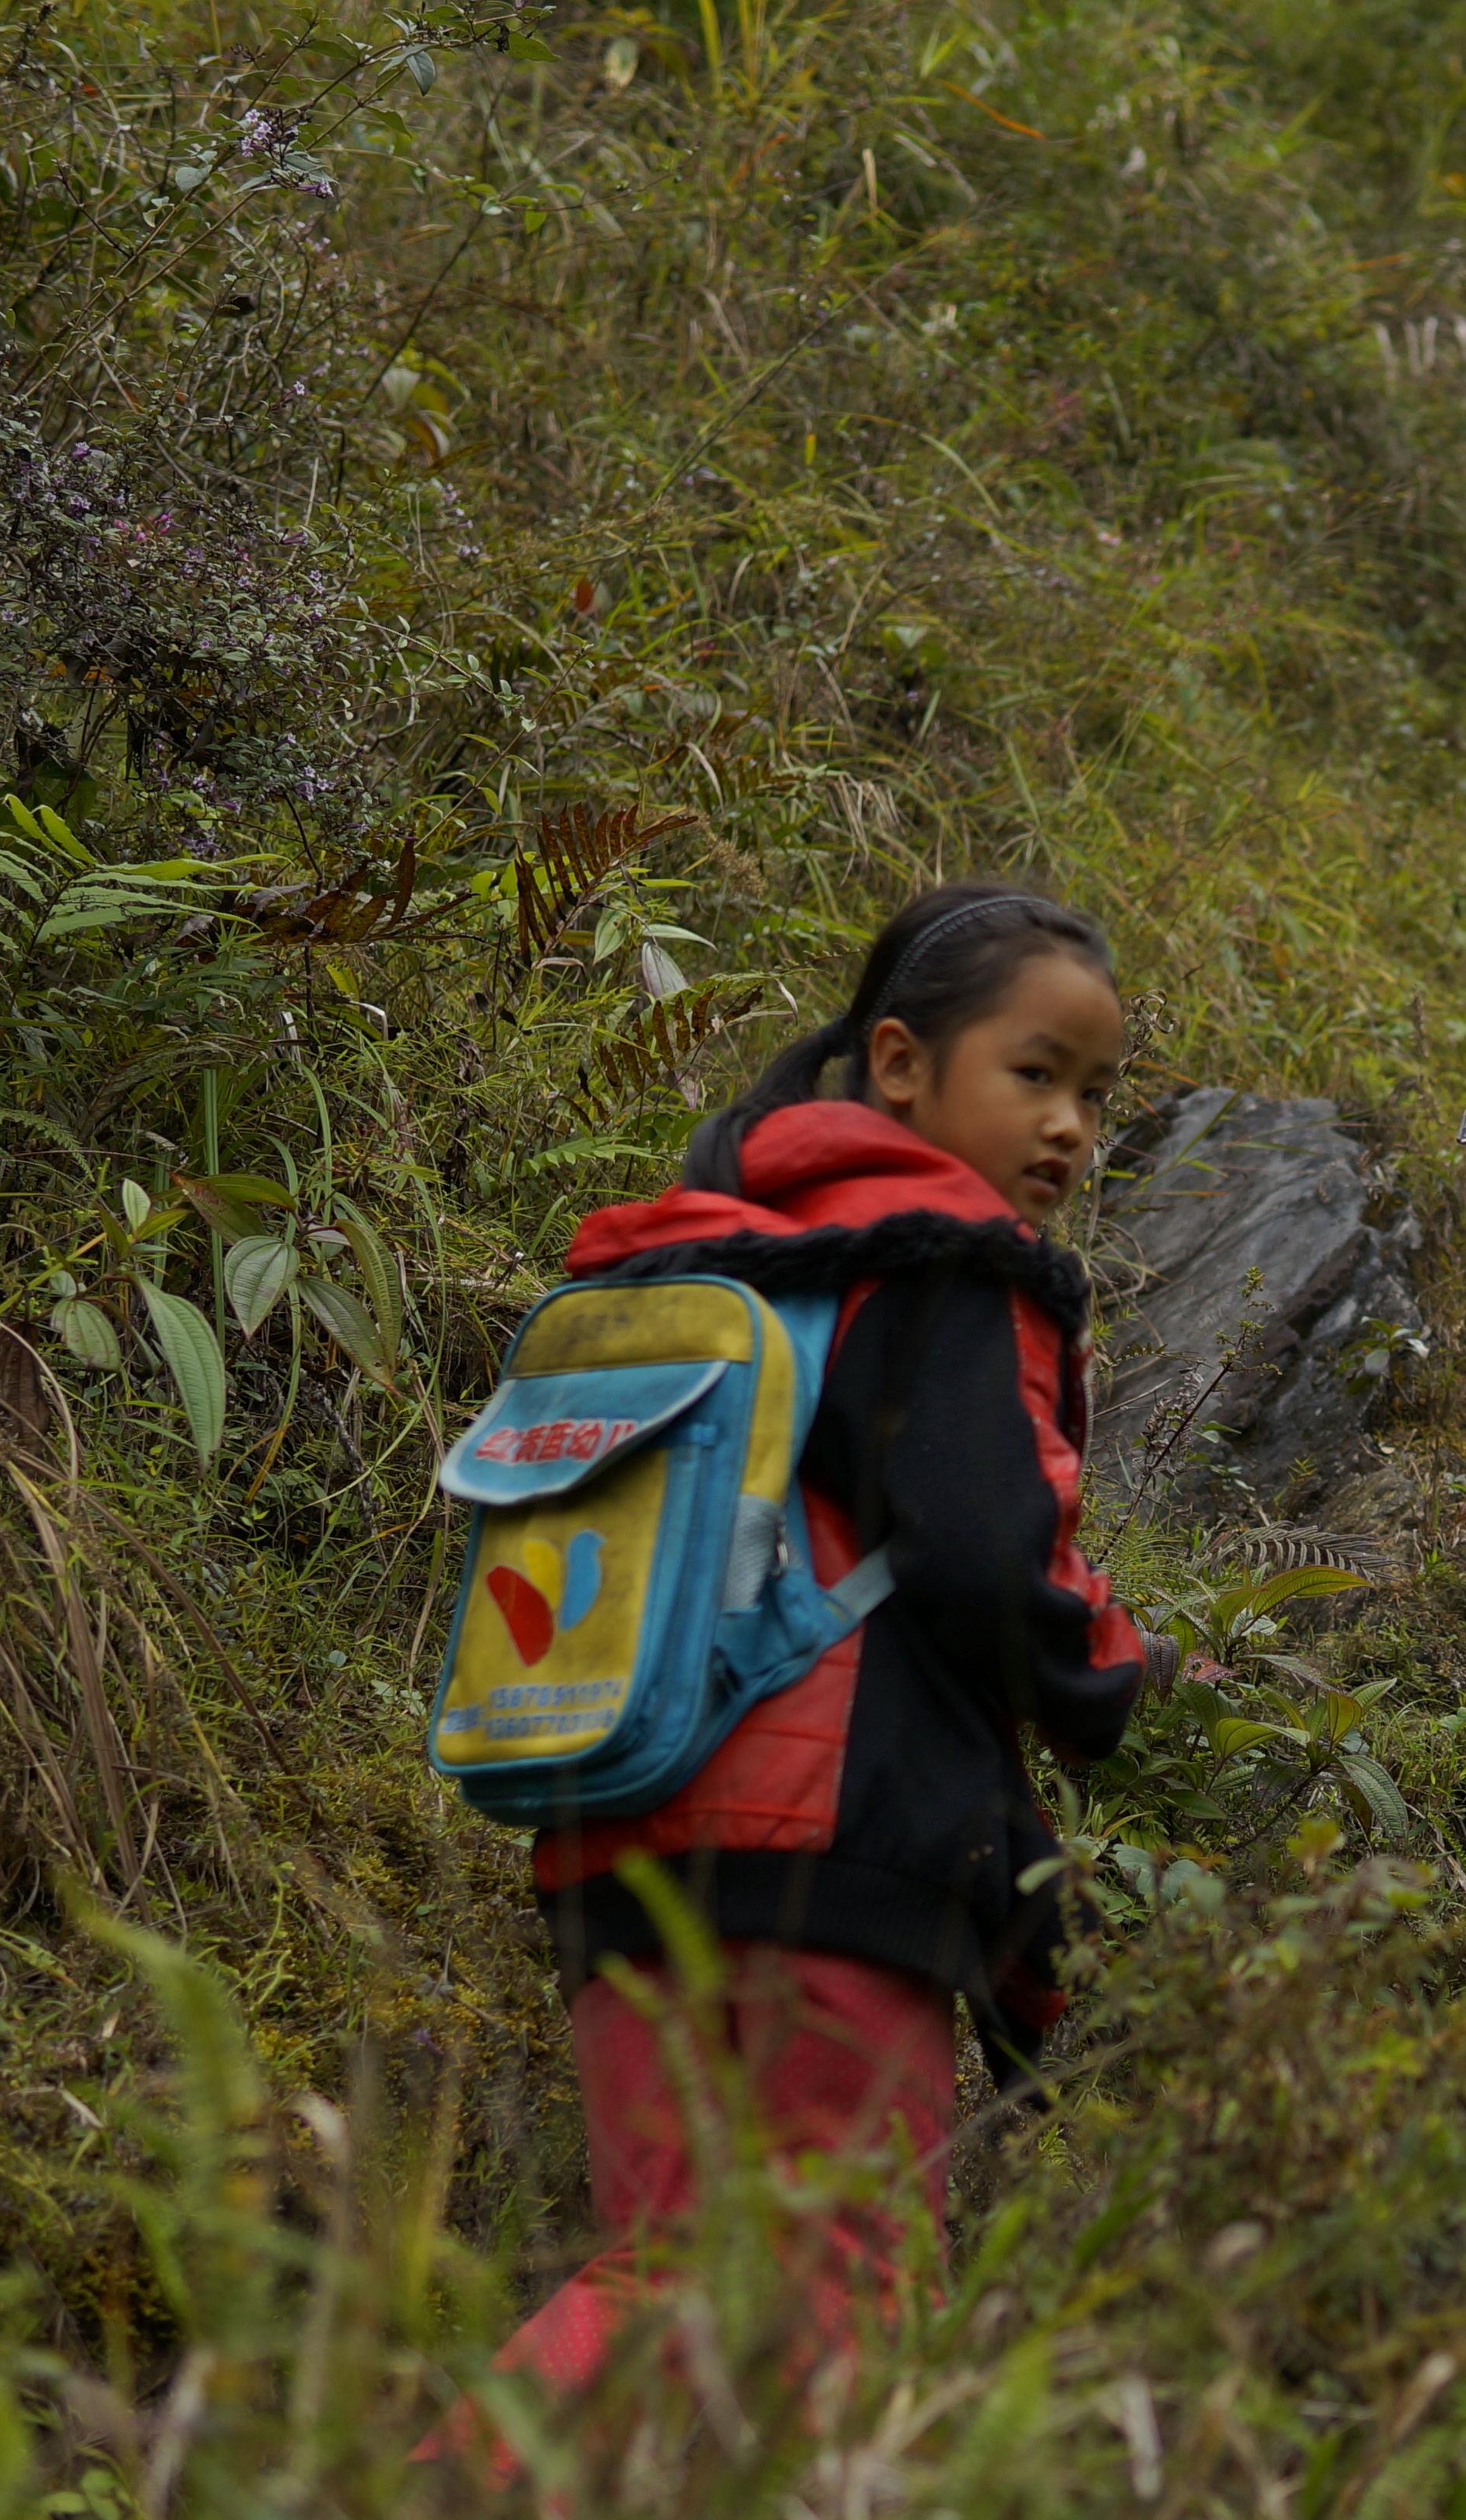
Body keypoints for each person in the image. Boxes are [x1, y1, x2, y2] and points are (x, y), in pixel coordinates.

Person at [487, 881, 1163, 2413]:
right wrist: (1109, 1671)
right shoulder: (952, 1266)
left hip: (617, 1811)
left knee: (675, 2268)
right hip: (828, 1852)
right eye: (1035, 1072)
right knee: (833, 2290)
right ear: (902, 1064)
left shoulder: (697, 1249)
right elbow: (995, 1554)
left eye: (1095, 1094)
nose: (1068, 1127)